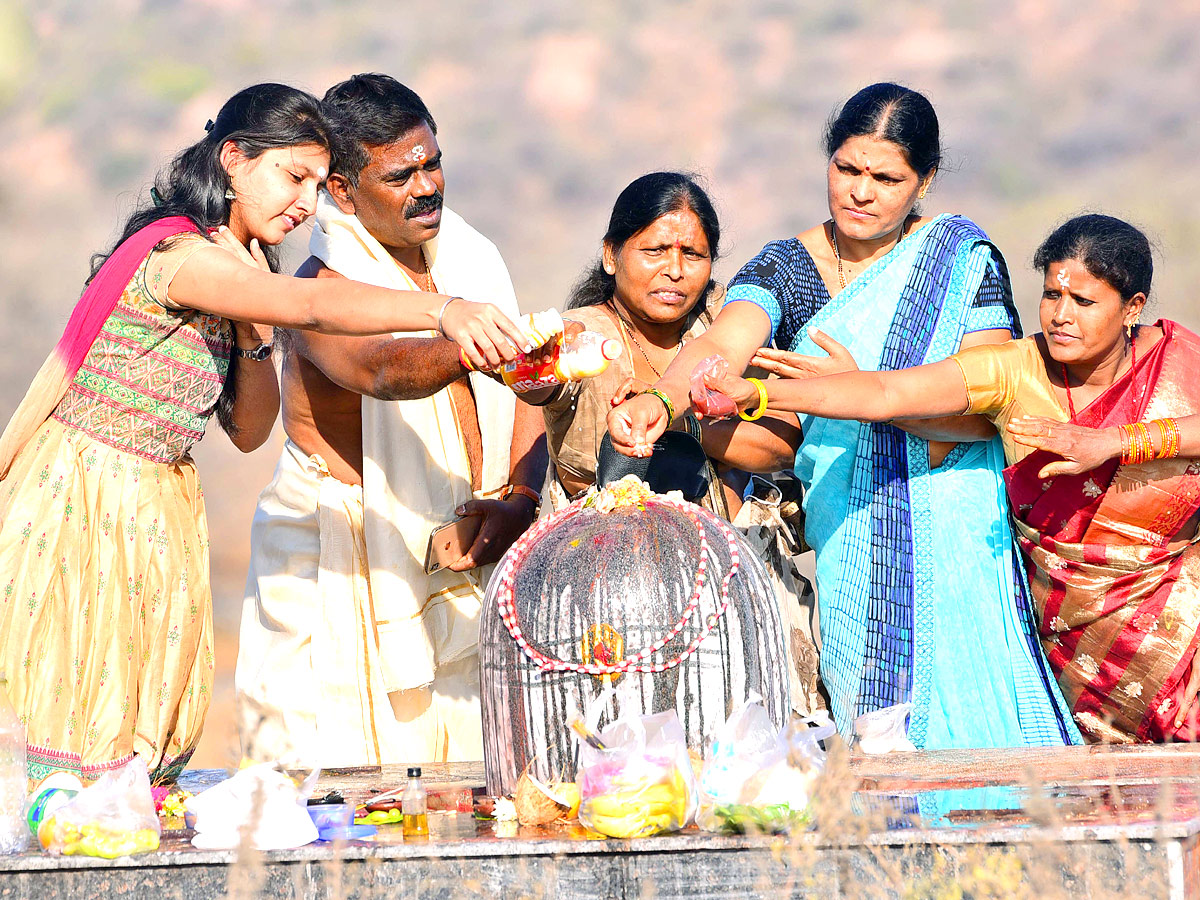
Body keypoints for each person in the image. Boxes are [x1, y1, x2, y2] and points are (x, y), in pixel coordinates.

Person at [0, 83, 532, 784]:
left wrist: (253, 332)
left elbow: (249, 431)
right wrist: (444, 311)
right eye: (293, 177)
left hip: (155, 504)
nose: (308, 204)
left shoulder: (237, 272)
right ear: (232, 159)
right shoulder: (180, 258)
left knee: (128, 736)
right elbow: (312, 304)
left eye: (317, 183)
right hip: (89, 501)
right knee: (75, 712)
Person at [608, 83, 1080, 749]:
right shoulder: (787, 268)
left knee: (982, 729)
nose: (861, 192)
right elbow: (719, 347)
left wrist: (860, 394)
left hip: (958, 529)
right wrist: (661, 401)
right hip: (852, 529)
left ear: (924, 182)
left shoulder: (960, 259)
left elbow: (981, 415)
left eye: (886, 178)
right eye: (847, 169)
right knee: (877, 734)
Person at [693, 214, 1200, 744]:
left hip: (1181, 633)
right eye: (1051, 295)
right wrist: (757, 396)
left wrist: (1116, 443)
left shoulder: (1178, 361)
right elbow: (887, 395)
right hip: (1074, 651)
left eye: (1084, 303)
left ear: (1133, 308)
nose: (1060, 317)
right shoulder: (1015, 369)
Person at [235, 74, 546, 767]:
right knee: (335, 809)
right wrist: (467, 342)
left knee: (472, 795)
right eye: (401, 175)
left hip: (466, 559)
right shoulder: (317, 288)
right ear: (342, 191)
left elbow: (526, 386)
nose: (427, 185)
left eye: (432, 163)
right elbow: (379, 368)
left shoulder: (474, 259)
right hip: (341, 569)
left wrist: (519, 500)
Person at [528, 171, 800, 517]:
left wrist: (680, 422)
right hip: (603, 559)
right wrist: (531, 362)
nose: (675, 270)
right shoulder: (584, 337)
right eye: (655, 250)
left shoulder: (726, 322)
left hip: (728, 557)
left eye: (693, 254)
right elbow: (535, 388)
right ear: (611, 256)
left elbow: (785, 445)